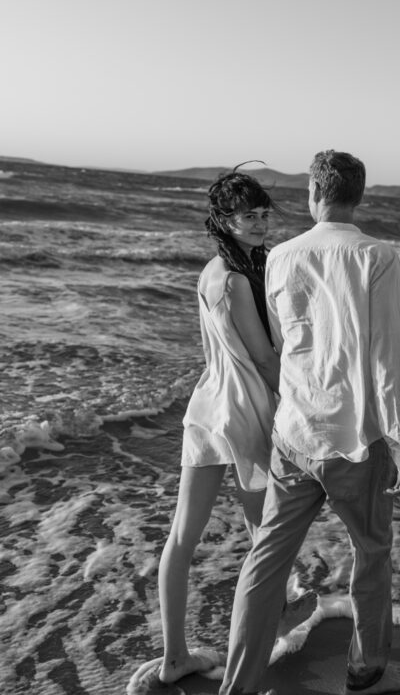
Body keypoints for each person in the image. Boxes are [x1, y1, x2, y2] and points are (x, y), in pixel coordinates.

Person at [220, 150, 400, 695]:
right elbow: (385, 356)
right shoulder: (378, 255)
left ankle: (236, 683)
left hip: (294, 434)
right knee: (372, 550)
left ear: (314, 193)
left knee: (266, 559)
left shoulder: (280, 256)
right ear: (358, 195)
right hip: (356, 439)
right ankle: (365, 669)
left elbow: (286, 345)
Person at [129, 169, 287, 693]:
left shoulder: (211, 270)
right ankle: (257, 652)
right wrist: (297, 401)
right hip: (246, 410)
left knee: (182, 537)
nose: (262, 223)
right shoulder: (240, 278)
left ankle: (174, 656)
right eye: (250, 216)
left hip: (208, 404)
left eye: (265, 213)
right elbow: (264, 359)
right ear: (224, 220)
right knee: (262, 537)